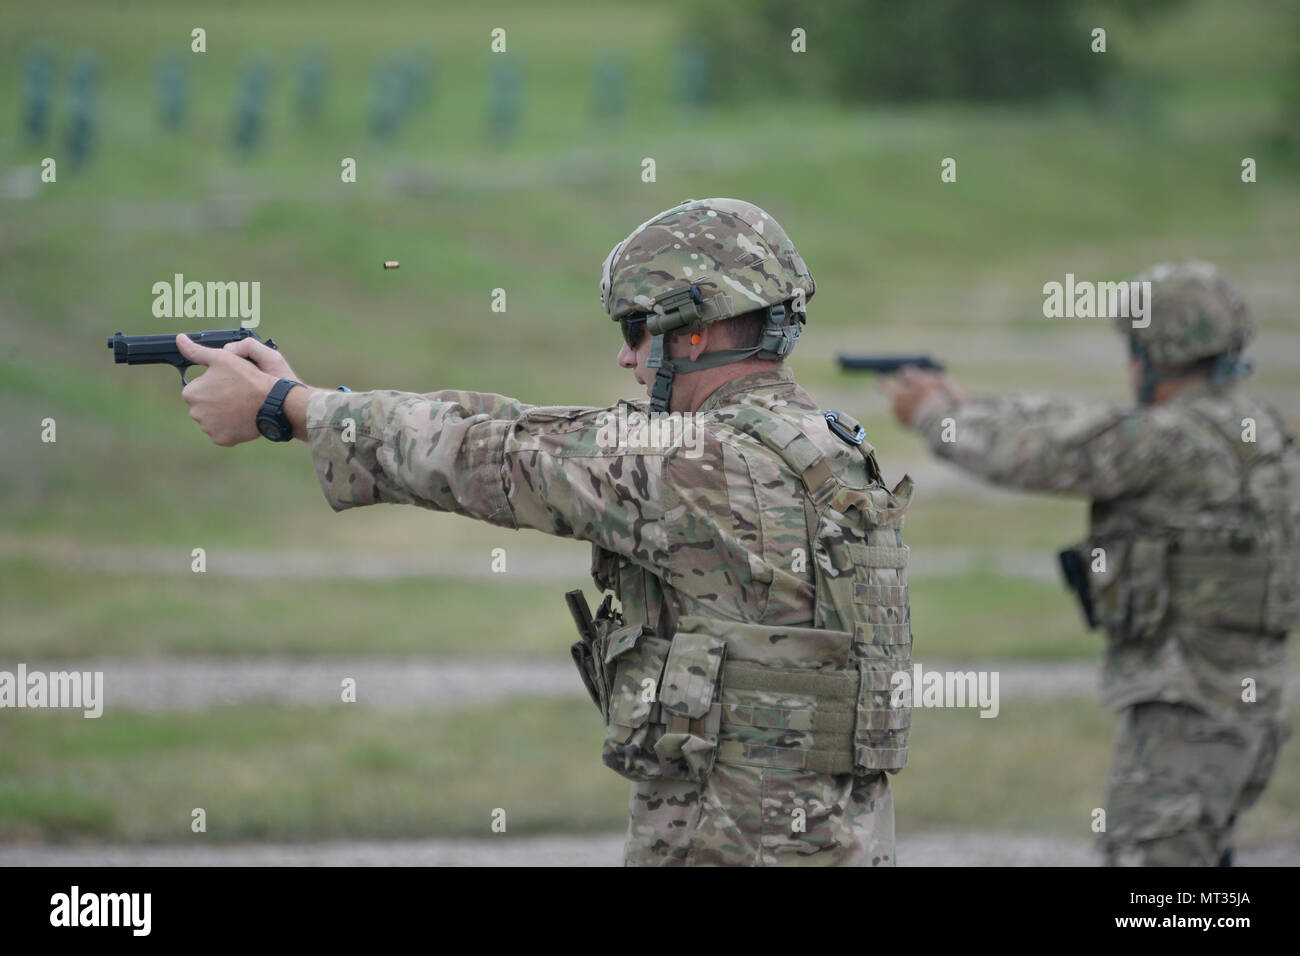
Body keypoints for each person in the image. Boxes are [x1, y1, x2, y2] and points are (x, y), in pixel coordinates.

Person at [177, 198, 916, 867]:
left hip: (736, 843)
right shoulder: (826, 448)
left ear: (694, 334)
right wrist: (315, 399)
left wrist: (288, 409)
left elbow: (492, 457)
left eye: (637, 329)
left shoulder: (698, 464)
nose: (626, 357)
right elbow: (526, 430)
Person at [883, 261, 1298, 866]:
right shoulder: (1257, 430)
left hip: (1186, 713)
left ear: (1155, 355)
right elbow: (1079, 427)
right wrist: (971, 405)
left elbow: (1035, 455)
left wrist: (931, 415)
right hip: (1241, 710)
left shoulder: (1169, 442)